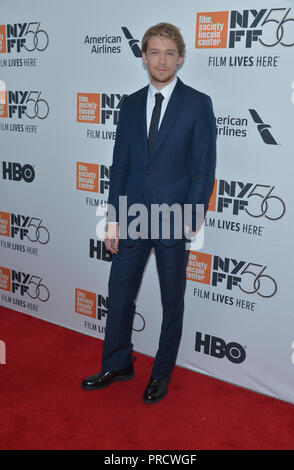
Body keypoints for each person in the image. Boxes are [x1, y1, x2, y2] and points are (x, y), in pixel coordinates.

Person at [81, 23, 216, 404]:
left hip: (175, 218)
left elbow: (204, 167)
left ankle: (161, 373)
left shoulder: (198, 103)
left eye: (169, 53)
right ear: (144, 57)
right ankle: (117, 363)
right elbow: (120, 165)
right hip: (132, 216)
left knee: (172, 300)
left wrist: (192, 216)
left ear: (181, 57)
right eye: (154, 52)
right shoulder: (128, 103)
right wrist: (112, 217)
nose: (161, 60)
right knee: (119, 292)